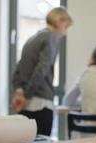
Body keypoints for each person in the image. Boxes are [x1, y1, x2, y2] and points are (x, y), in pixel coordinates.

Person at [12, 7, 73, 136]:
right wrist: (27, 96)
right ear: (60, 21)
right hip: (41, 104)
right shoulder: (52, 36)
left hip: (25, 106)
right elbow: (42, 68)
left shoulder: (32, 38)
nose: (65, 32)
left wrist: (19, 92)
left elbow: (18, 68)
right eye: (66, 27)